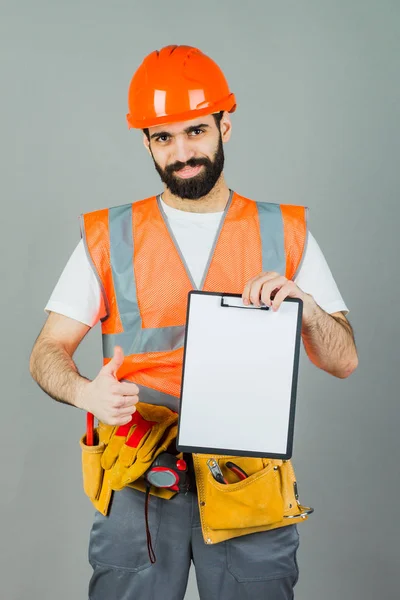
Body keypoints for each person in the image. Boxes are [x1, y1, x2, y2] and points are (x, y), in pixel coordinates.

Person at [29, 45, 358, 600]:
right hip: (139, 478)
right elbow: (46, 352)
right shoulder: (110, 235)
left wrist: (305, 305)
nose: (182, 152)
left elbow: (344, 359)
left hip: (246, 480)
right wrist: (86, 393)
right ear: (146, 143)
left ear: (225, 124)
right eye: (163, 137)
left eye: (195, 131)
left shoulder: (285, 231)